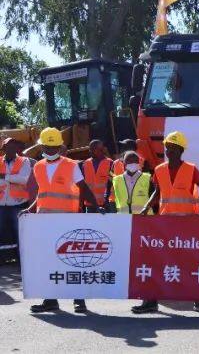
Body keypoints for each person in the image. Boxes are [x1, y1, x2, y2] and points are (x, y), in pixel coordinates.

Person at [133, 131, 199, 315]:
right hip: (166, 225)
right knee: (157, 262)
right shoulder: (159, 169)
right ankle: (150, 301)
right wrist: (146, 207)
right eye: (167, 147)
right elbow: (157, 192)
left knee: (192, 263)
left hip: (187, 224)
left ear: (181, 150)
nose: (169, 151)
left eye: (173, 148)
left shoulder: (191, 169)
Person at [22, 128, 100, 313]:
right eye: (47, 147)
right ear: (41, 146)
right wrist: (30, 208)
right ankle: (50, 300)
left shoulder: (71, 165)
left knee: (71, 260)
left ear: (60, 147)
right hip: (44, 220)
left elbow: (83, 188)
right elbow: (43, 193)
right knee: (48, 260)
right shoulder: (38, 166)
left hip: (67, 219)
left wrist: (96, 207)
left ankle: (79, 300)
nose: (50, 150)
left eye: (53, 147)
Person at [0, 137, 32, 263]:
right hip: (1, 204)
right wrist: (13, 178)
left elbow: (24, 179)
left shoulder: (24, 161)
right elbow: (18, 178)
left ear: (17, 148)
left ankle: (21, 259)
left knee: (19, 232)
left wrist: (5, 177)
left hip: (18, 204)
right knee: (1, 231)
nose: (11, 148)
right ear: (4, 148)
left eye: (14, 146)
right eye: (8, 146)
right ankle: (3, 258)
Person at [81, 140, 119, 208]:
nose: (90, 151)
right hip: (89, 204)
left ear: (101, 150)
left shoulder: (110, 163)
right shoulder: (85, 163)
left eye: (93, 149)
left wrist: (107, 200)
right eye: (90, 149)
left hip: (105, 204)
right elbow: (82, 184)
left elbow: (113, 183)